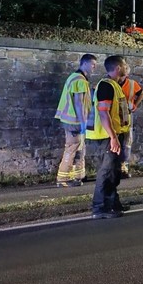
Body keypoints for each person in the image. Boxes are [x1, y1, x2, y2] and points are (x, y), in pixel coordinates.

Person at [86, 55, 131, 219]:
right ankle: (99, 208)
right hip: (106, 136)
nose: (127, 67)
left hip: (111, 134)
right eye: (125, 65)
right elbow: (103, 113)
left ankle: (113, 204)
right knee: (106, 172)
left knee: (113, 172)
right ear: (118, 67)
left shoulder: (113, 85)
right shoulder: (106, 85)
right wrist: (113, 137)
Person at [53, 53, 97, 187]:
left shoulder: (75, 77)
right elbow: (79, 103)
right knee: (72, 148)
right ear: (85, 63)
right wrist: (83, 122)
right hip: (75, 122)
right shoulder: (80, 80)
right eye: (93, 65)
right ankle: (62, 178)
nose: (94, 68)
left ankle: (78, 176)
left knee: (79, 148)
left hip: (71, 120)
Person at [119, 61, 143, 178]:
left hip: (127, 115)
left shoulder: (131, 83)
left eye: (123, 75)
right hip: (114, 115)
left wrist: (135, 105)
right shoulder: (111, 82)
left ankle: (124, 167)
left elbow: (141, 93)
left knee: (127, 141)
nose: (121, 77)